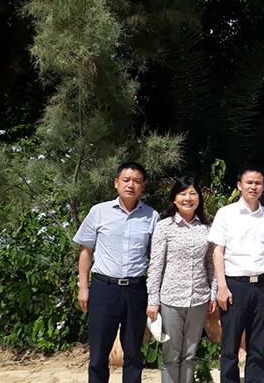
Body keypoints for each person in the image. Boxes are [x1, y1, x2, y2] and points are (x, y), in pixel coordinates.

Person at [75, 162, 160, 383]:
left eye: (137, 181)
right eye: (126, 180)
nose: (131, 185)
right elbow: (86, 252)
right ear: (116, 183)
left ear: (143, 186)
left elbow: (157, 259)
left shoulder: (152, 216)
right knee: (98, 354)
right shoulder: (99, 211)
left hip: (136, 290)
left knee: (133, 353)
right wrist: (83, 287)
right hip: (104, 289)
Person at [209, 166, 264, 383]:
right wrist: (221, 286)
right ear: (239, 185)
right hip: (234, 286)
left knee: (257, 345)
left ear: (263, 187)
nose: (253, 187)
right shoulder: (226, 214)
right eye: (249, 183)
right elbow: (217, 251)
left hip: (263, 285)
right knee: (230, 345)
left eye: (258, 183)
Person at [145, 176, 216, 383]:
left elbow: (211, 265)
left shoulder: (206, 228)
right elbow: (156, 265)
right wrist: (153, 300)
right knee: (171, 355)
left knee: (190, 354)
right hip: (170, 299)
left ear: (199, 199)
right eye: (183, 194)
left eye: (193, 193)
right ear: (174, 199)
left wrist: (212, 293)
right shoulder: (164, 227)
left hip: (199, 299)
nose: (188, 198)